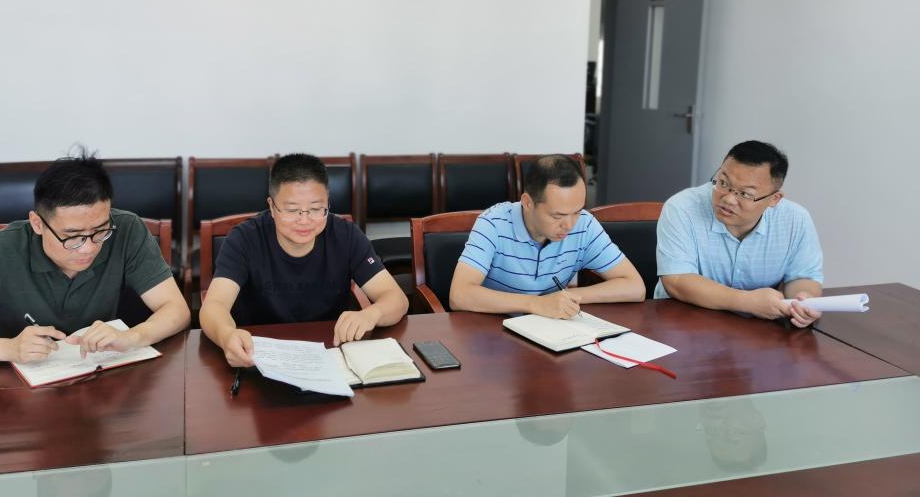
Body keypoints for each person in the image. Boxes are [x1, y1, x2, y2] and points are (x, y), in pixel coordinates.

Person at [0, 151, 190, 365]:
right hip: (19, 391)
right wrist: (7, 348)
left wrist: (133, 337)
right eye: (72, 236)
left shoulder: (126, 229)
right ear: (37, 223)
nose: (88, 248)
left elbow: (176, 309)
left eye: (100, 231)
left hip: (105, 382)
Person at [199, 153, 409, 367]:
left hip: (330, 353)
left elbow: (396, 298)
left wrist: (372, 314)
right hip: (259, 357)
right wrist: (226, 335)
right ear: (271, 206)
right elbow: (214, 305)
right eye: (292, 210)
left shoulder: (346, 236)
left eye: (316, 209)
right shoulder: (244, 239)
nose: (304, 220)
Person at [449, 154, 644, 317]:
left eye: (576, 211)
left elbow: (635, 287)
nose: (569, 225)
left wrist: (566, 298)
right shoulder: (493, 223)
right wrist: (535, 303)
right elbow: (459, 295)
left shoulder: (584, 224)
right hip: (492, 329)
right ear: (527, 202)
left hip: (548, 329)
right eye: (557, 216)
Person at [655, 140, 823, 328]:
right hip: (683, 323)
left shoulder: (795, 219)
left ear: (774, 199)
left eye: (745, 194)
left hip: (758, 331)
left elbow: (803, 277)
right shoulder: (682, 208)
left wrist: (803, 301)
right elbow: (677, 280)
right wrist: (747, 301)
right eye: (723, 183)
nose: (728, 199)